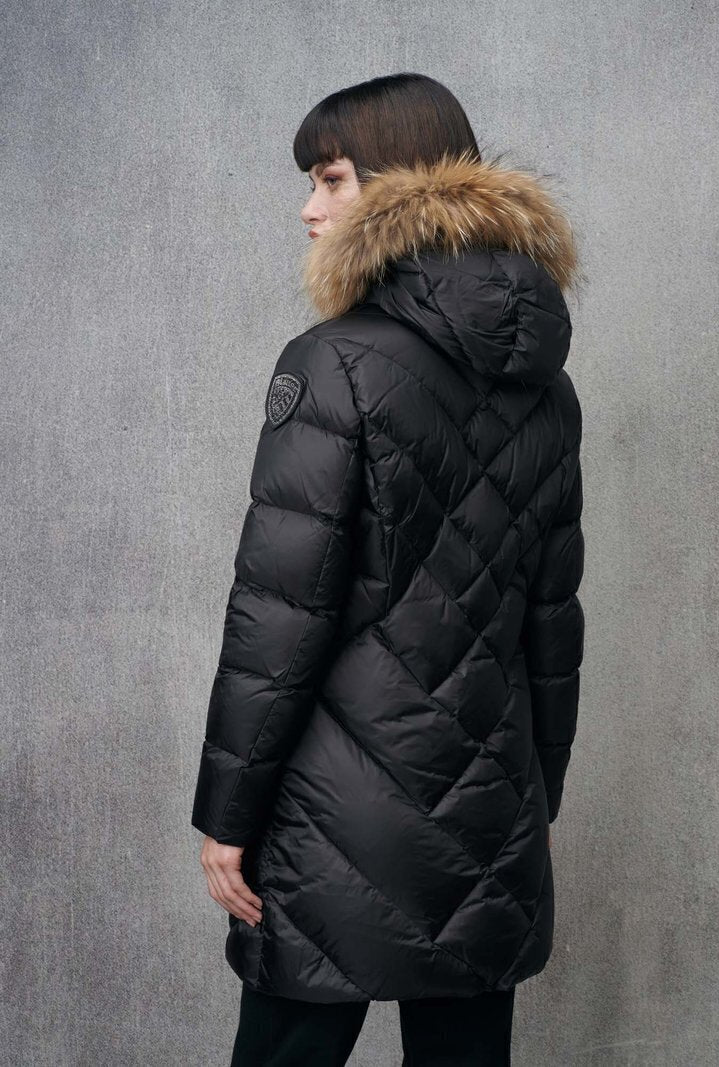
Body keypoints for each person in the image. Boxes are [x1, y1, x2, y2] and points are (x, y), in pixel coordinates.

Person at [191, 72, 585, 1066]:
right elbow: (551, 621)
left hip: (334, 814)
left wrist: (226, 818)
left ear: (398, 182)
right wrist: (537, 797)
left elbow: (278, 615)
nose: (308, 207)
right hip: (489, 808)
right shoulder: (547, 387)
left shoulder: (333, 363)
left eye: (330, 178)